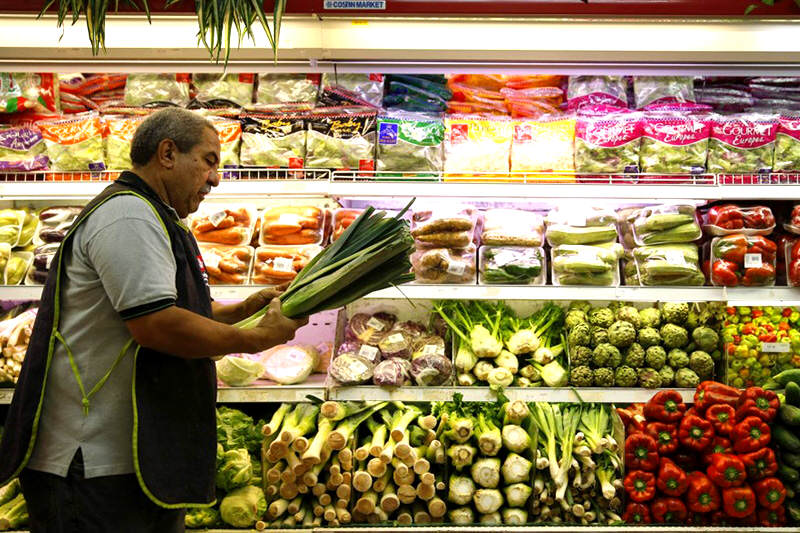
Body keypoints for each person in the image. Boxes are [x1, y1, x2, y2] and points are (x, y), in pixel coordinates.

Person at [0, 107, 307, 532]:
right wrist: (256, 339)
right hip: (93, 467)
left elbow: (169, 307)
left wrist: (243, 309)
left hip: (130, 458)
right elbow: (156, 324)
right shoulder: (130, 216)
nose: (216, 178)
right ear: (167, 153)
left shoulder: (155, 215)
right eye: (209, 160)